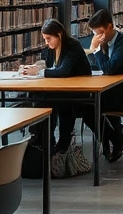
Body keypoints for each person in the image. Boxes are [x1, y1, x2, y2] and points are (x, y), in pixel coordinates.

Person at [20, 19, 92, 153]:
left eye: (48, 39)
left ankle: (51, 140)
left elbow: (63, 71)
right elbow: (50, 66)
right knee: (39, 97)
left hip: (80, 91)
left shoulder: (72, 45)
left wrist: (39, 72)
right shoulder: (52, 48)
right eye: (45, 39)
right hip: (62, 89)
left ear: (59, 34)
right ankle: (44, 138)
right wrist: (35, 67)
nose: (47, 43)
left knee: (52, 101)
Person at [88, 9, 123, 163]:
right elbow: (95, 66)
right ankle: (115, 140)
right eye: (94, 33)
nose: (97, 36)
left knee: (90, 106)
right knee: (85, 104)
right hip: (113, 90)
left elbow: (109, 68)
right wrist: (96, 51)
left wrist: (96, 49)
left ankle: (113, 141)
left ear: (110, 26)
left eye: (100, 31)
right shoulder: (104, 43)